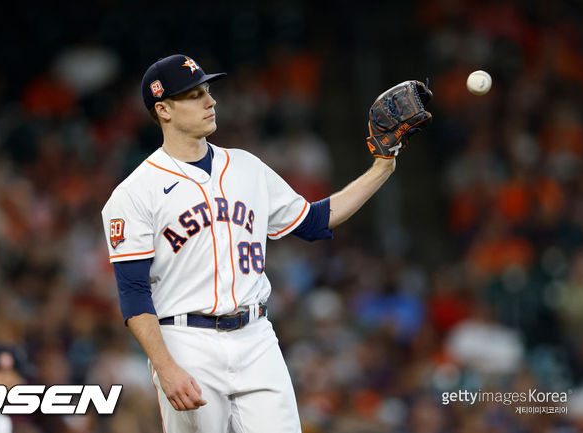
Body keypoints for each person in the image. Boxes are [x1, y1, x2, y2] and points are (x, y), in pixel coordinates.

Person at [101, 54, 429, 432]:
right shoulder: (135, 192)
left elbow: (314, 221)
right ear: (163, 109)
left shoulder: (246, 166)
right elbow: (133, 291)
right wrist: (166, 366)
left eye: (207, 91)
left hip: (256, 335)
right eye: (193, 95)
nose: (210, 101)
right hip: (185, 341)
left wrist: (382, 166)